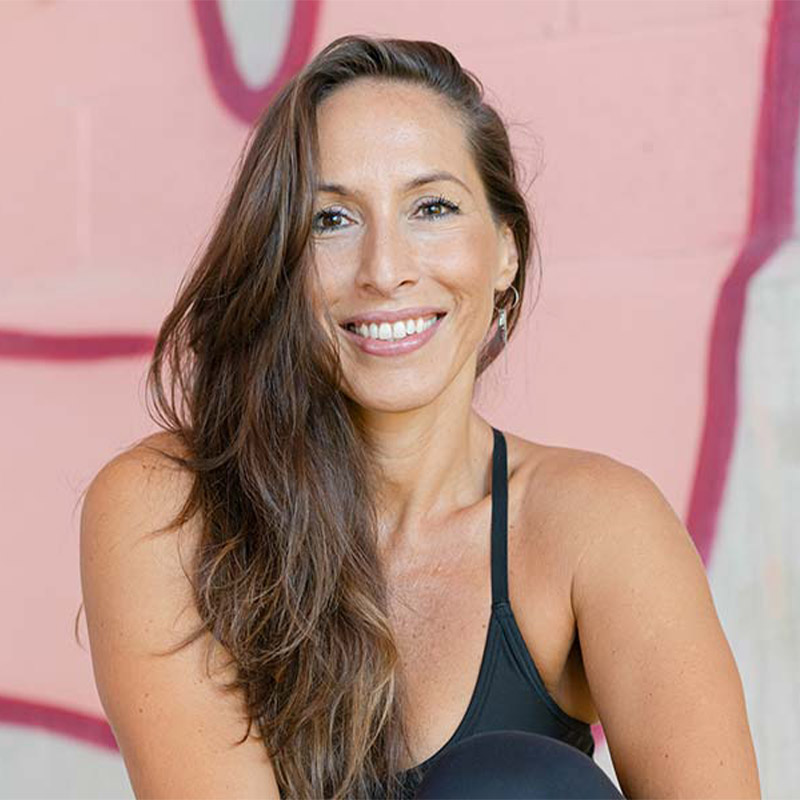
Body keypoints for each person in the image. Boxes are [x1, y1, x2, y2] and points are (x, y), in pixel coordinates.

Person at [78, 34, 761, 800]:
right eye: (330, 220)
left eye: (432, 208)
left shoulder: (596, 524)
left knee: (514, 786)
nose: (384, 270)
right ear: (279, 259)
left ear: (504, 253)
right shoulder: (169, 511)